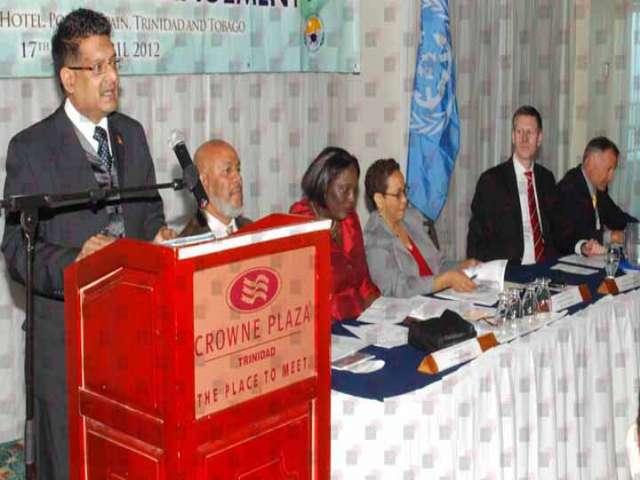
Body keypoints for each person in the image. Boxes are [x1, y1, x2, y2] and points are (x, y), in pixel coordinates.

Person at [1, 9, 173, 479]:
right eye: (97, 67)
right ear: (68, 78)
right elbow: (16, 249)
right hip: (64, 343)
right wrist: (77, 261)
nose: (112, 77)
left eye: (114, 63)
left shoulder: (131, 135)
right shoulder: (31, 148)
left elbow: (150, 212)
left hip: (132, 335)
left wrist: (158, 237)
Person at [289, 147, 380, 320]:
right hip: (327, 327)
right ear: (322, 186)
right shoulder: (300, 225)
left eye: (354, 190)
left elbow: (364, 282)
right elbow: (301, 302)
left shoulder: (349, 219)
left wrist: (388, 313)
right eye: (344, 190)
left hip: (361, 320)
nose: (352, 199)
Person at [364, 159, 477, 297]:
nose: (405, 199)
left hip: (438, 299)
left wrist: (461, 266)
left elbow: (438, 264)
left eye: (405, 191)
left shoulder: (412, 219)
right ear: (379, 200)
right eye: (398, 194)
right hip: (411, 308)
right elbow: (397, 288)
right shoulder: (374, 239)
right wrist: (444, 281)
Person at [467, 105, 561, 264]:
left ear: (539, 138)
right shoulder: (491, 181)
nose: (524, 139)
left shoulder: (546, 179)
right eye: (519, 132)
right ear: (512, 137)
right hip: (510, 271)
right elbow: (476, 245)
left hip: (545, 269)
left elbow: (557, 232)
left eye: (529, 133)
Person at [556, 136, 637, 256]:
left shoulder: (598, 188)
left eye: (613, 170)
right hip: (568, 259)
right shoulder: (569, 188)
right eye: (608, 169)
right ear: (590, 162)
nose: (611, 177)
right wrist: (612, 236)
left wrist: (636, 228)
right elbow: (575, 234)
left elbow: (617, 217)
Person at [179, 139, 251, 237]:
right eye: (228, 170)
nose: (238, 178)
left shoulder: (252, 229)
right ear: (203, 181)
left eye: (238, 169)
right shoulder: (189, 242)